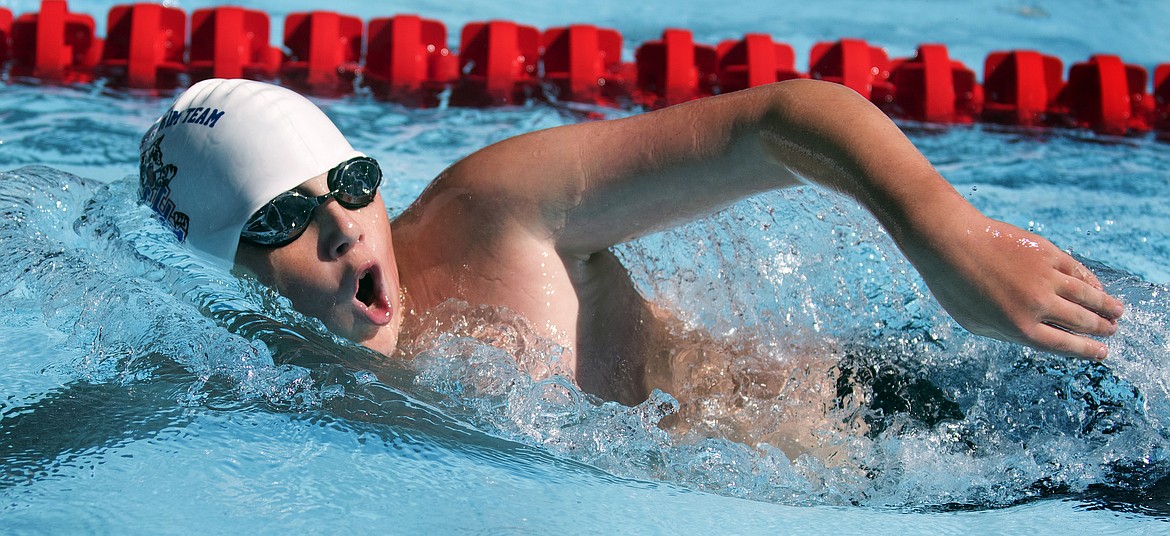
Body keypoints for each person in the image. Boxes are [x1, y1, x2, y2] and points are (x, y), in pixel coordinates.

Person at [139, 78, 1124, 406]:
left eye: (352, 185)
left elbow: (780, 118)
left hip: (934, 415)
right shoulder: (259, 385)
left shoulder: (492, 209)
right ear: (223, 269)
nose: (345, 225)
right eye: (283, 220)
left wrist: (945, 234)